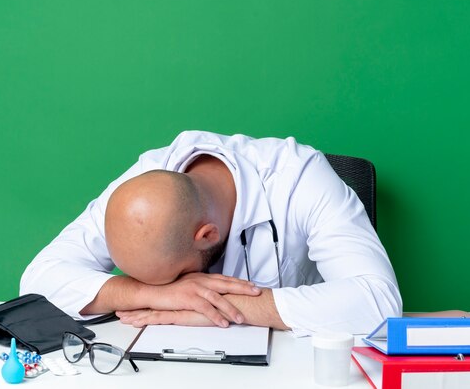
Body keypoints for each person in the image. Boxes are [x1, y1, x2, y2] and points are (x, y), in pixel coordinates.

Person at [20, 130, 402, 336]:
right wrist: (152, 294)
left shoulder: (299, 177)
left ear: (206, 235)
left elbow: (378, 303)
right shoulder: (141, 191)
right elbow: (37, 281)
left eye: (173, 278)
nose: (175, 293)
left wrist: (230, 310)